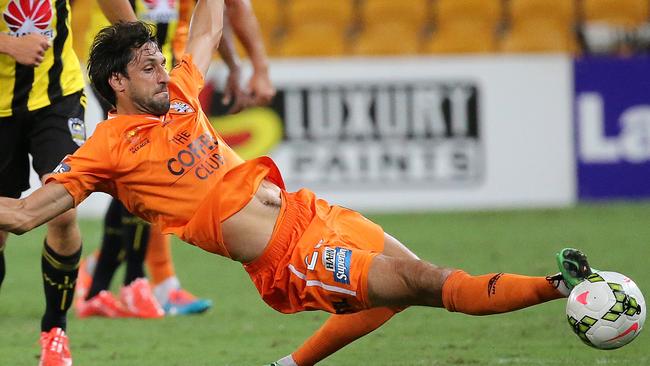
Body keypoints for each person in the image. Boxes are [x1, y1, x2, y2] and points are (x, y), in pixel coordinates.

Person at [0, 1, 595, 364]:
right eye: (148, 67)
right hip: (289, 257)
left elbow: (206, 28)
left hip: (312, 211)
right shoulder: (105, 149)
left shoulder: (178, 93)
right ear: (117, 86)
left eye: (160, 62)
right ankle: (559, 285)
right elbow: (26, 215)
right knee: (426, 281)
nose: (164, 71)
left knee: (408, 290)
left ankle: (292, 365)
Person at [74, 0, 276, 318]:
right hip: (125, 75)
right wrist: (138, 53)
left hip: (163, 72)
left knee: (152, 175)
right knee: (140, 169)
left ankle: (112, 282)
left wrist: (238, 65)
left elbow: (216, 14)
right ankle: (135, 282)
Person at [0, 0, 136, 364]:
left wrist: (138, 45)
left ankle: (55, 331)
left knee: (62, 209)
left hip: (57, 100)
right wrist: (6, 43)